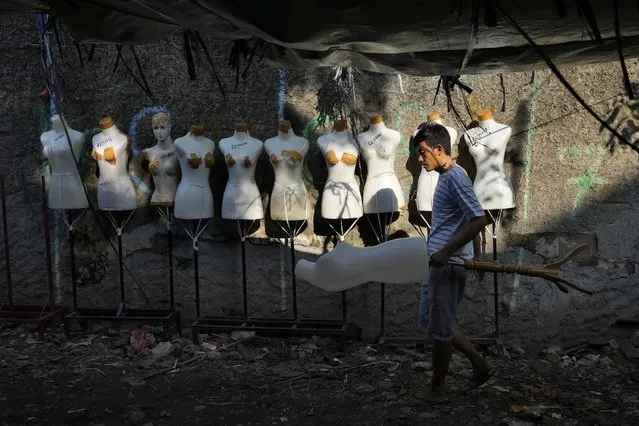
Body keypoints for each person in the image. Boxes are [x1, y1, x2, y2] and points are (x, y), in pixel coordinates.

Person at [413, 123, 495, 403]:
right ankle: (480, 364)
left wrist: (447, 252)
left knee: (440, 330)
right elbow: (468, 218)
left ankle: (437, 389)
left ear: (439, 149)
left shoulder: (456, 178)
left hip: (447, 265)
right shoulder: (447, 177)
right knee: (432, 320)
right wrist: (477, 254)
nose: (420, 160)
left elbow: (479, 219)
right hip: (438, 262)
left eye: (423, 153)